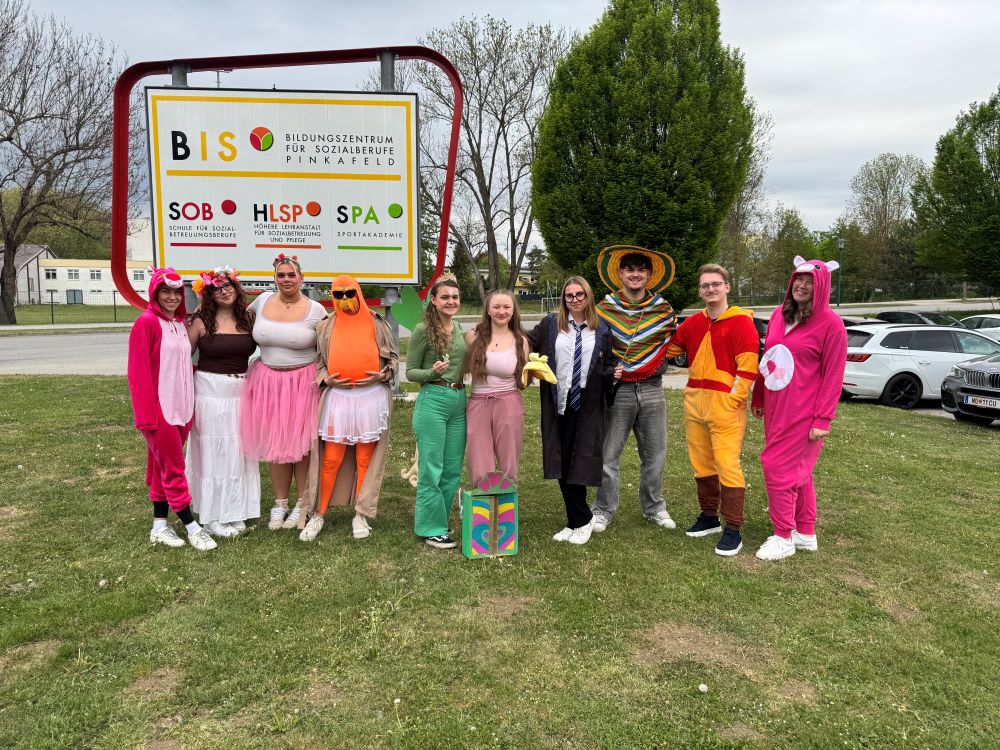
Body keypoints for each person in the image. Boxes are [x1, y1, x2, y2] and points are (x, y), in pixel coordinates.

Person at [751, 256, 847, 561]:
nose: (802, 286)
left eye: (809, 282)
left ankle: (783, 537)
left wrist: (823, 419)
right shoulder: (780, 315)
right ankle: (805, 533)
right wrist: (759, 396)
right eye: (798, 279)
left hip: (804, 412)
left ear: (822, 287)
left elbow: (833, 375)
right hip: (776, 407)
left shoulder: (831, 325)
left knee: (777, 466)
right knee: (798, 472)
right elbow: (769, 358)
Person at [663, 264, 760, 556]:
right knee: (702, 464)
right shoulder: (693, 323)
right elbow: (670, 349)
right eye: (705, 285)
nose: (711, 289)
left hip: (725, 407)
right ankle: (709, 517)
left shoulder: (741, 322)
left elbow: (748, 368)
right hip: (695, 404)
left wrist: (733, 400)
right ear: (700, 291)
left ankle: (733, 528)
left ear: (727, 287)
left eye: (716, 284)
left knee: (727, 465)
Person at [297, 275, 398, 541]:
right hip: (338, 400)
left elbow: (393, 358)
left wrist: (383, 375)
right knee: (331, 458)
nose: (344, 299)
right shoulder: (325, 325)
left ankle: (360, 515)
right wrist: (325, 379)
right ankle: (318, 514)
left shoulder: (378, 323)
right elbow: (319, 362)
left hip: (371, 398)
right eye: (338, 294)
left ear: (358, 292)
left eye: (349, 293)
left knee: (365, 458)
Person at [127, 266, 216, 551]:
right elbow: (138, 372)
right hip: (159, 411)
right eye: (165, 291)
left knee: (160, 467)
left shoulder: (178, 324)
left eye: (176, 292)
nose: (172, 297)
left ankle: (159, 525)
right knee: (175, 468)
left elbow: (180, 363)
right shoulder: (146, 323)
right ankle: (192, 527)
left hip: (181, 407)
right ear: (154, 293)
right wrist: (146, 416)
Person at [528, 277, 621, 545]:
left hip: (587, 403)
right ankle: (579, 519)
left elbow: (607, 363)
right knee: (562, 459)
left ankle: (579, 521)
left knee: (578, 460)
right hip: (559, 400)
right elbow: (526, 342)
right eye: (569, 295)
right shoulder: (550, 324)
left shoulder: (602, 329)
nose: (575, 299)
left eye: (580, 294)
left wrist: (613, 374)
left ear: (588, 296)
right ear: (563, 299)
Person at [592, 246, 678, 533]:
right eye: (629, 269)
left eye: (641, 269)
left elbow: (674, 342)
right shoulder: (603, 310)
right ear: (620, 273)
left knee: (655, 454)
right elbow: (593, 347)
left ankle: (654, 507)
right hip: (618, 390)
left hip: (652, 388)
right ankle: (602, 509)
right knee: (608, 454)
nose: (635, 274)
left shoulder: (663, 310)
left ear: (650, 274)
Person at [239, 254, 326, 530]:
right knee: (275, 442)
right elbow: (235, 322)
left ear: (301, 278)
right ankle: (280, 503)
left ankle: (302, 502)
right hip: (267, 381)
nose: (286, 279)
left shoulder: (316, 310)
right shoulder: (261, 301)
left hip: (303, 382)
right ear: (274, 278)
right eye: (281, 275)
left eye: (291, 275)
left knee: (301, 444)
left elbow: (329, 345)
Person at [186, 266, 260, 537]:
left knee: (238, 451)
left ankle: (235, 509)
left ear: (236, 287)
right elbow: (181, 357)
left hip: (241, 391)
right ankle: (212, 516)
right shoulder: (199, 322)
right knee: (215, 453)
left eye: (227, 285)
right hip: (210, 393)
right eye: (216, 288)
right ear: (208, 294)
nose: (224, 291)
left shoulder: (249, 319)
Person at [406, 276, 468, 549]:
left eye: (455, 297)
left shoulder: (459, 327)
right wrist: (432, 372)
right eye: (445, 297)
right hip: (433, 399)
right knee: (432, 467)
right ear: (433, 300)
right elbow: (410, 372)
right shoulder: (422, 330)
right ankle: (431, 529)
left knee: (452, 468)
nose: (451, 301)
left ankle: (439, 521)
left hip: (459, 400)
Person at [463, 290, 530, 484]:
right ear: (488, 310)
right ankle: (483, 500)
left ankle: (507, 500)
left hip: (508, 403)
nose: (502, 311)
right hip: (478, 404)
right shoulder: (473, 336)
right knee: (479, 459)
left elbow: (523, 382)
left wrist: (535, 371)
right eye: (496, 307)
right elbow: (462, 366)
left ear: (513, 310)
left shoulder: (521, 341)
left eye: (507, 307)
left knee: (509, 458)